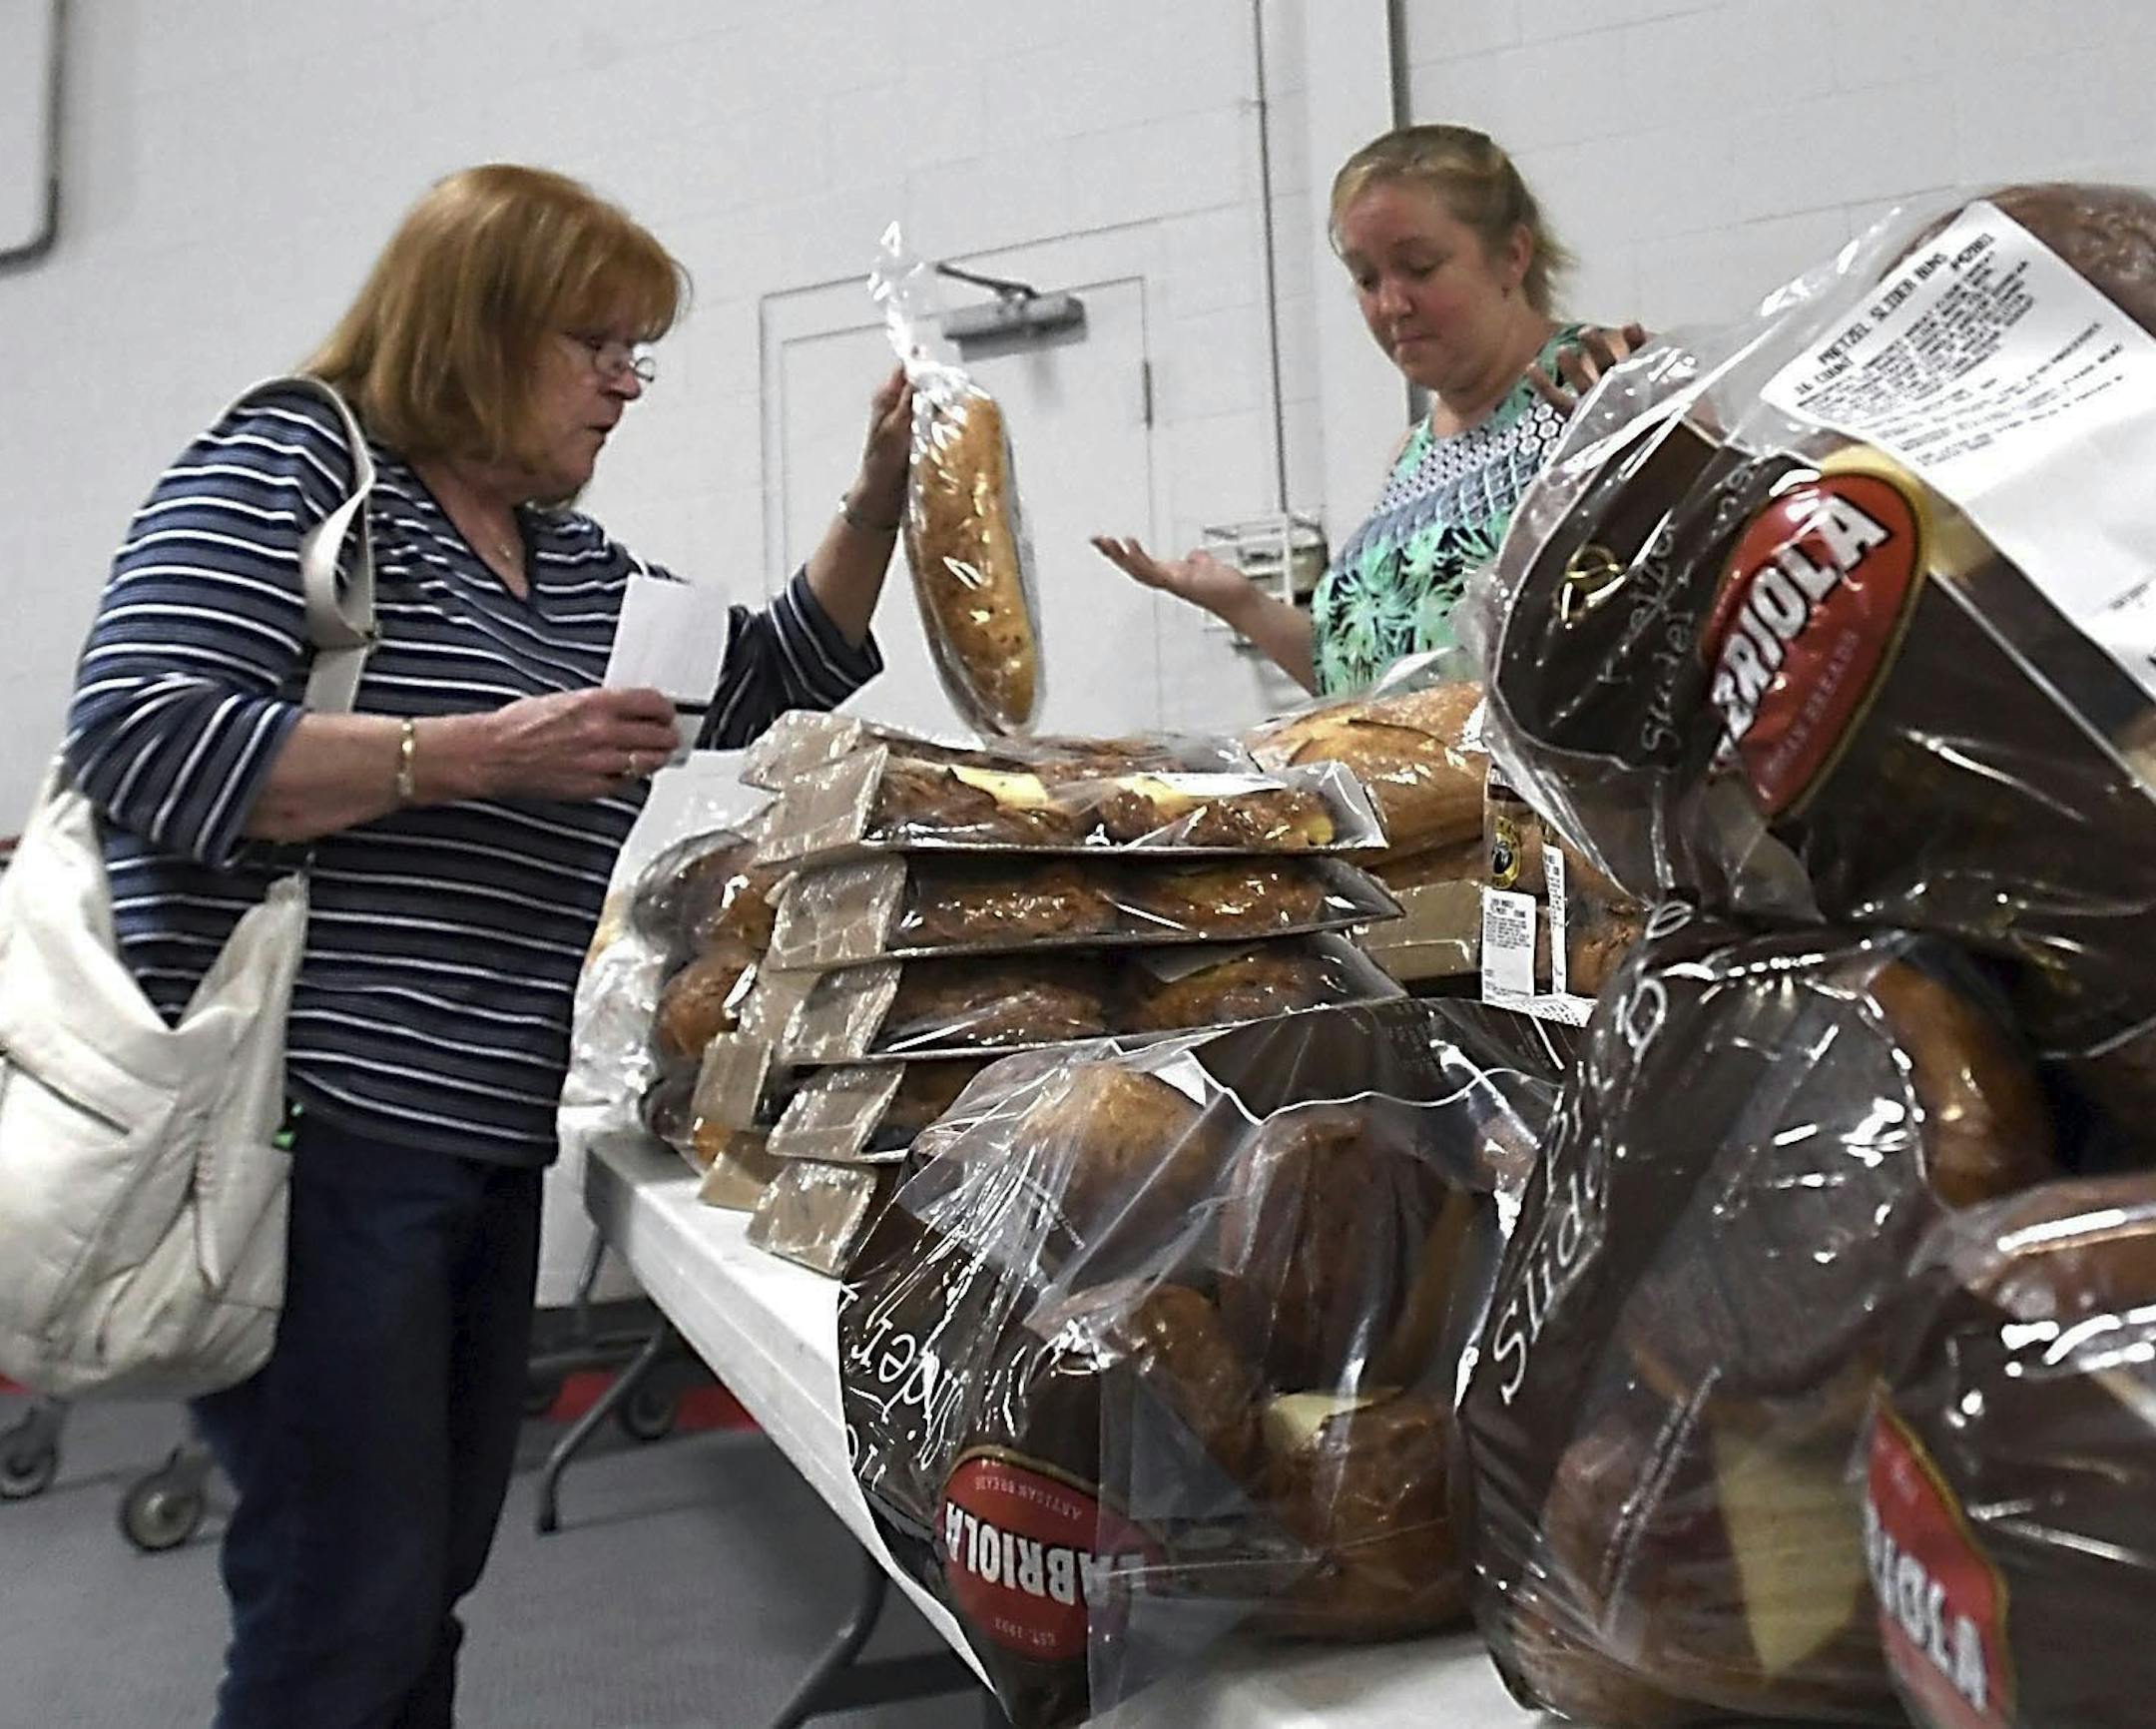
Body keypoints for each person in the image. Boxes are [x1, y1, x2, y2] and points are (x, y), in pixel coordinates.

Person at [61, 163, 910, 1729]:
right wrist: (465, 756)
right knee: (343, 1600)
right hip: (316, 1133)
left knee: (420, 1585)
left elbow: (780, 673)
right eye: (596, 341)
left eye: (640, 349)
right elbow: (143, 737)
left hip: (471, 1130)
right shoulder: (299, 469)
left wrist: (879, 498)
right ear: (474, 325)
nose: (626, 382)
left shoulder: (568, 567)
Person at [1094, 123, 1641, 695]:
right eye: (1366, 278)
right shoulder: (1413, 455)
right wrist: (1244, 604)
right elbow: (1367, 686)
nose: (1392, 305)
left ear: (1511, 257)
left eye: (1420, 267)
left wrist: (1652, 436)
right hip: (1418, 782)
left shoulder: (1606, 381)